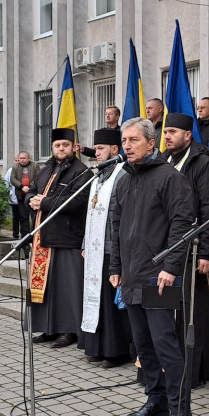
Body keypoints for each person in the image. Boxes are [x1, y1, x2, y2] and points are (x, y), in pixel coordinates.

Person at [110, 118, 195, 416]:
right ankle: (156, 399)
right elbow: (116, 228)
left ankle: (180, 410)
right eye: (124, 140)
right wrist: (114, 268)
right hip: (130, 276)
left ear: (150, 143)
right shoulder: (123, 180)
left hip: (159, 277)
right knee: (143, 345)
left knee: (166, 346)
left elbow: (182, 225)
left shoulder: (170, 178)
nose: (127, 146)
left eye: (133, 140)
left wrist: (171, 268)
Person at [163, 112, 209, 385]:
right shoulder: (164, 161)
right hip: (164, 250)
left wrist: (207, 252)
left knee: (192, 313)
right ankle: (166, 367)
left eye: (173, 132)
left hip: (193, 250)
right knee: (163, 307)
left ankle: (194, 371)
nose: (167, 136)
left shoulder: (203, 164)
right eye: (165, 132)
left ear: (188, 135)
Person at [26, 129, 92, 347]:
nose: (61, 149)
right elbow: (32, 190)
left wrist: (43, 203)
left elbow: (77, 201)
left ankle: (69, 331)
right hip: (42, 238)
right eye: (57, 145)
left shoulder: (82, 172)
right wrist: (30, 200)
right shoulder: (45, 169)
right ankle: (48, 328)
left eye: (65, 145)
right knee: (48, 288)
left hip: (67, 238)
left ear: (74, 147)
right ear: (52, 148)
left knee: (67, 288)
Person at [79, 127, 132, 367]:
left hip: (113, 249)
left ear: (114, 149)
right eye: (96, 149)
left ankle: (116, 351)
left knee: (112, 305)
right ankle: (96, 347)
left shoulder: (122, 174)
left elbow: (121, 216)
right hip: (95, 248)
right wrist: (84, 243)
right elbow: (90, 213)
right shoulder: (99, 175)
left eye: (100, 149)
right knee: (96, 299)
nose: (96, 153)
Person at [4, 151, 40, 240]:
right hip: (21, 195)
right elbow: (12, 179)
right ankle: (25, 236)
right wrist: (22, 186)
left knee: (34, 216)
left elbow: (38, 177)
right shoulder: (15, 167)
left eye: (24, 158)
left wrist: (30, 187)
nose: (22, 160)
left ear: (28, 158)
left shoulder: (35, 166)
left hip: (33, 195)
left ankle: (34, 235)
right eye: (20, 158)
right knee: (23, 217)